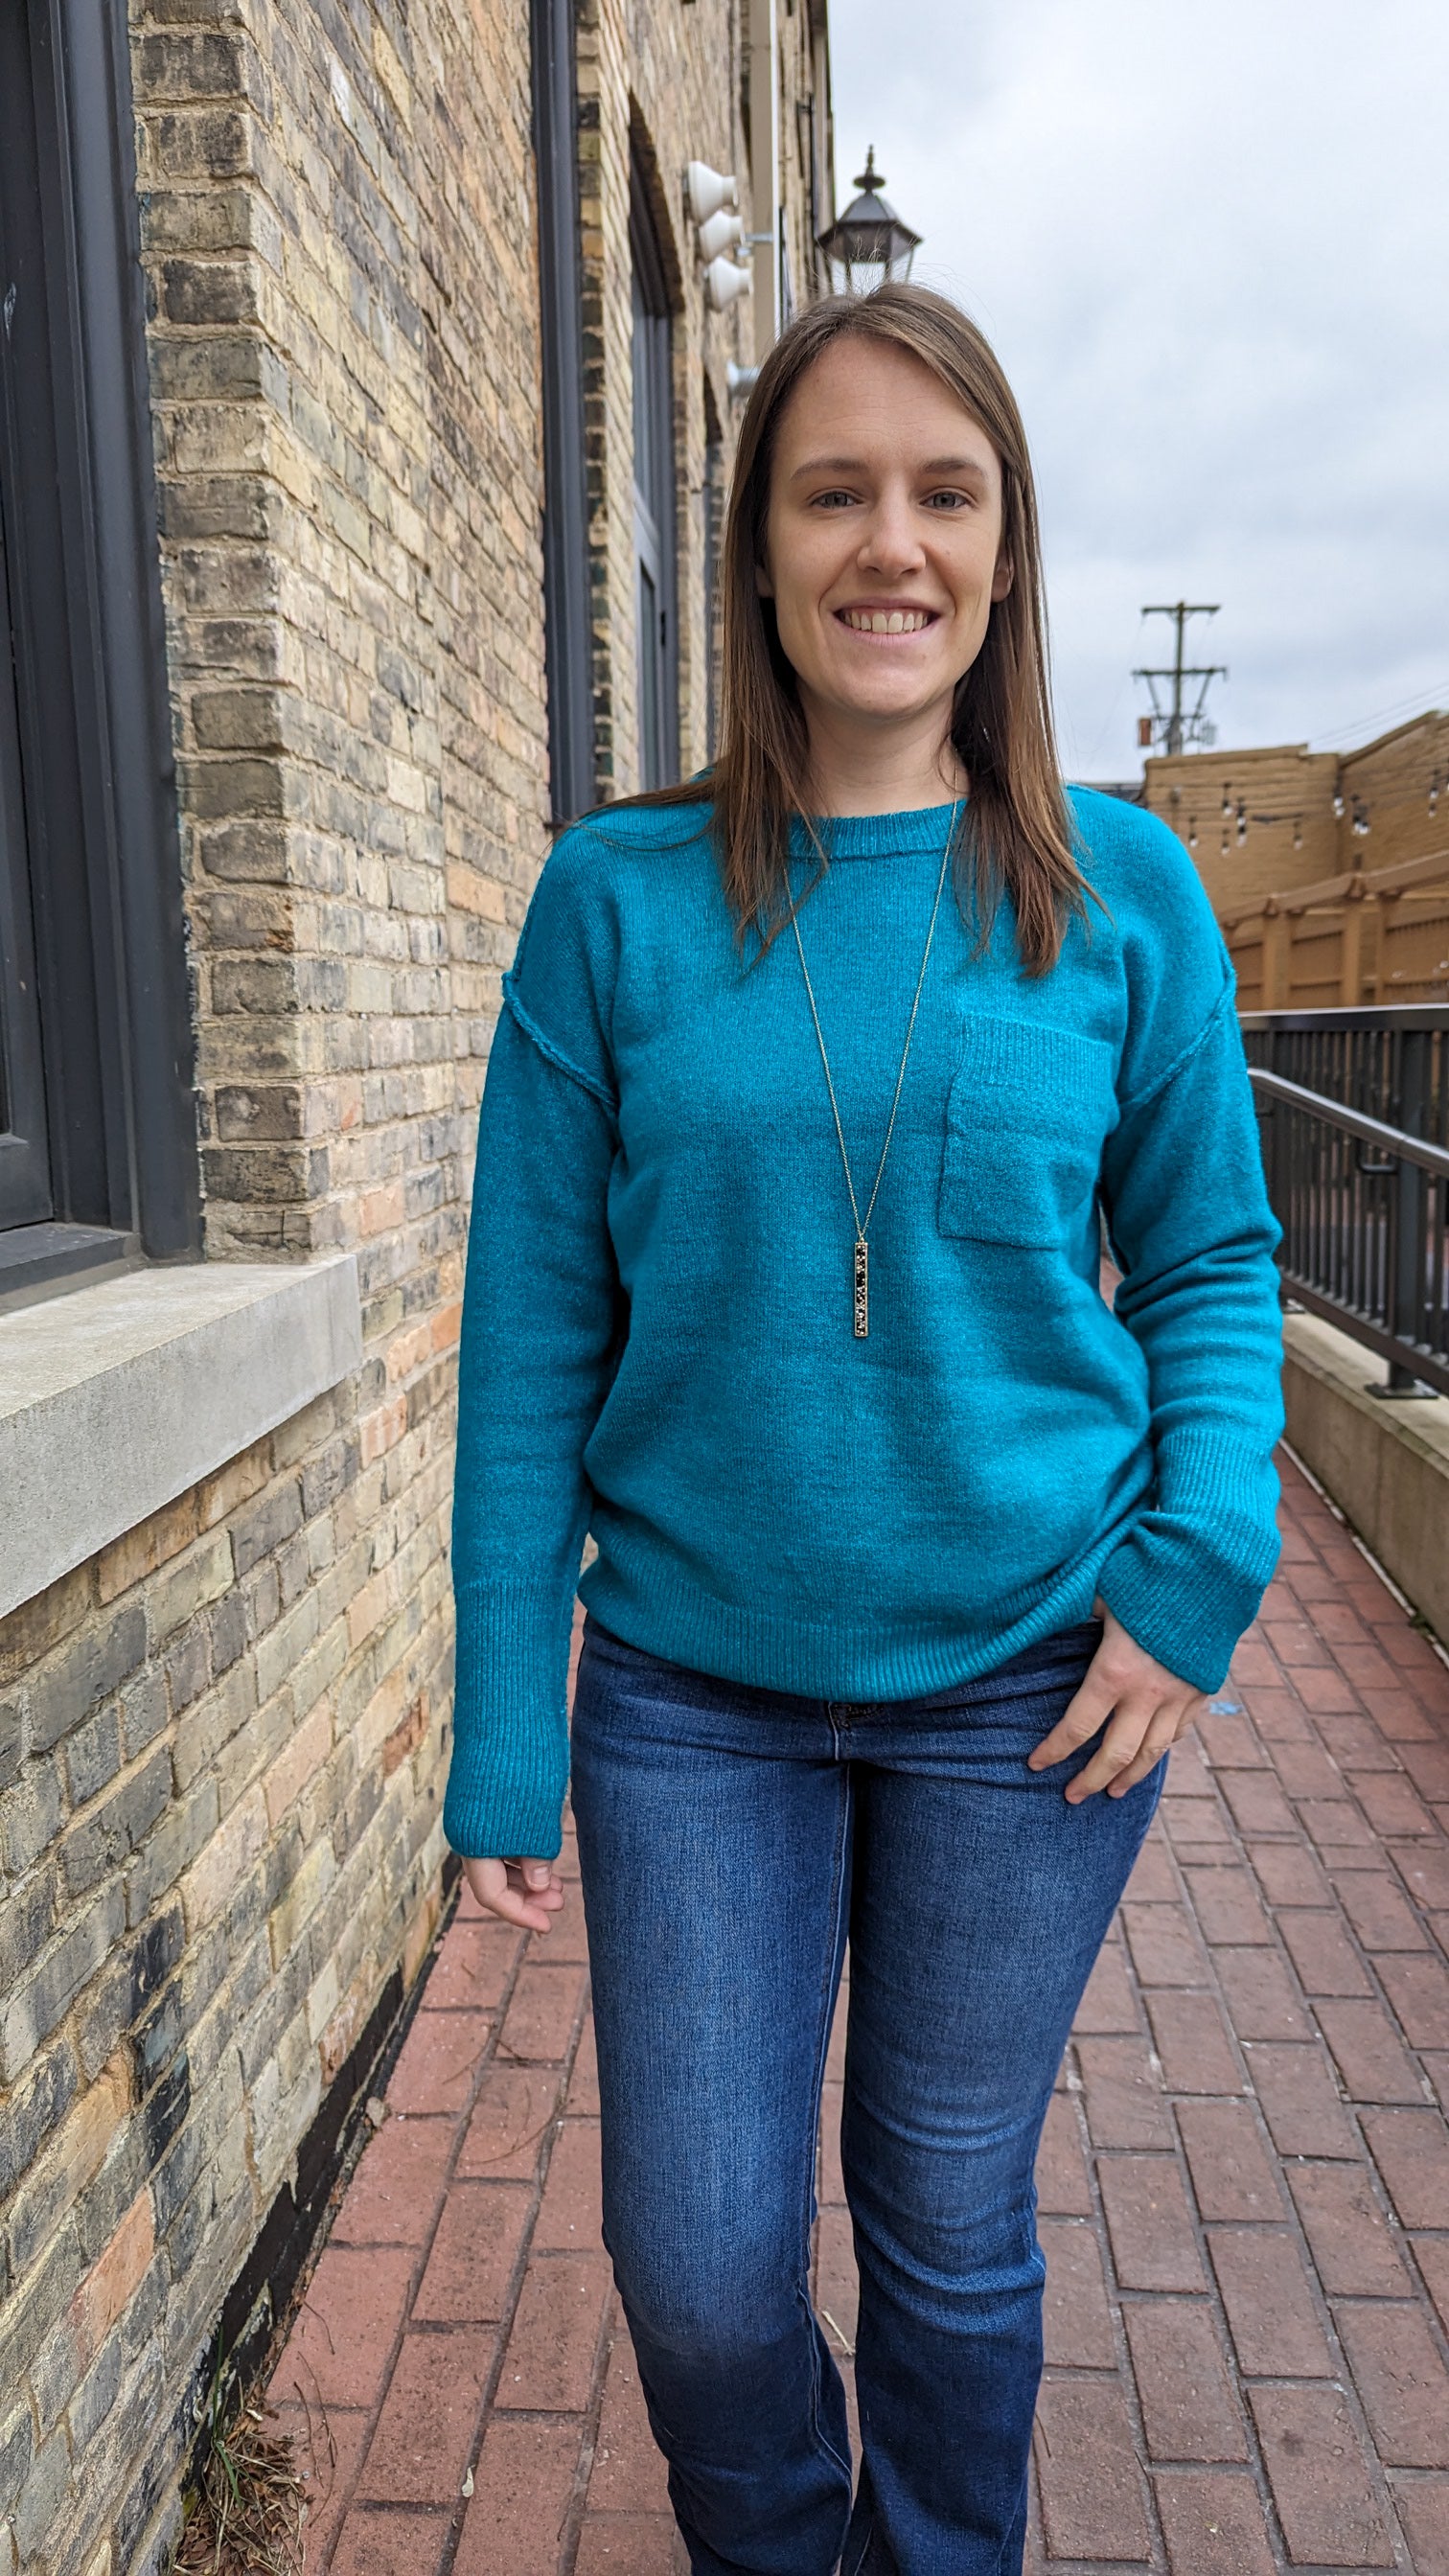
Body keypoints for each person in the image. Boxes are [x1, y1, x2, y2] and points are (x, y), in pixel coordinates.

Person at [443, 283, 1284, 2576]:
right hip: (690, 1697)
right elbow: (530, 1333)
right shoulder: (613, 905)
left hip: (1033, 1685)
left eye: (944, 495)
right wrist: (507, 1719)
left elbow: (1213, 1261)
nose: (889, 544)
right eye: (834, 494)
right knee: (701, 2269)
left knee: (945, 2223)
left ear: (1006, 553)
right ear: (756, 551)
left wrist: (1197, 1571)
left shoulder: (1120, 891)